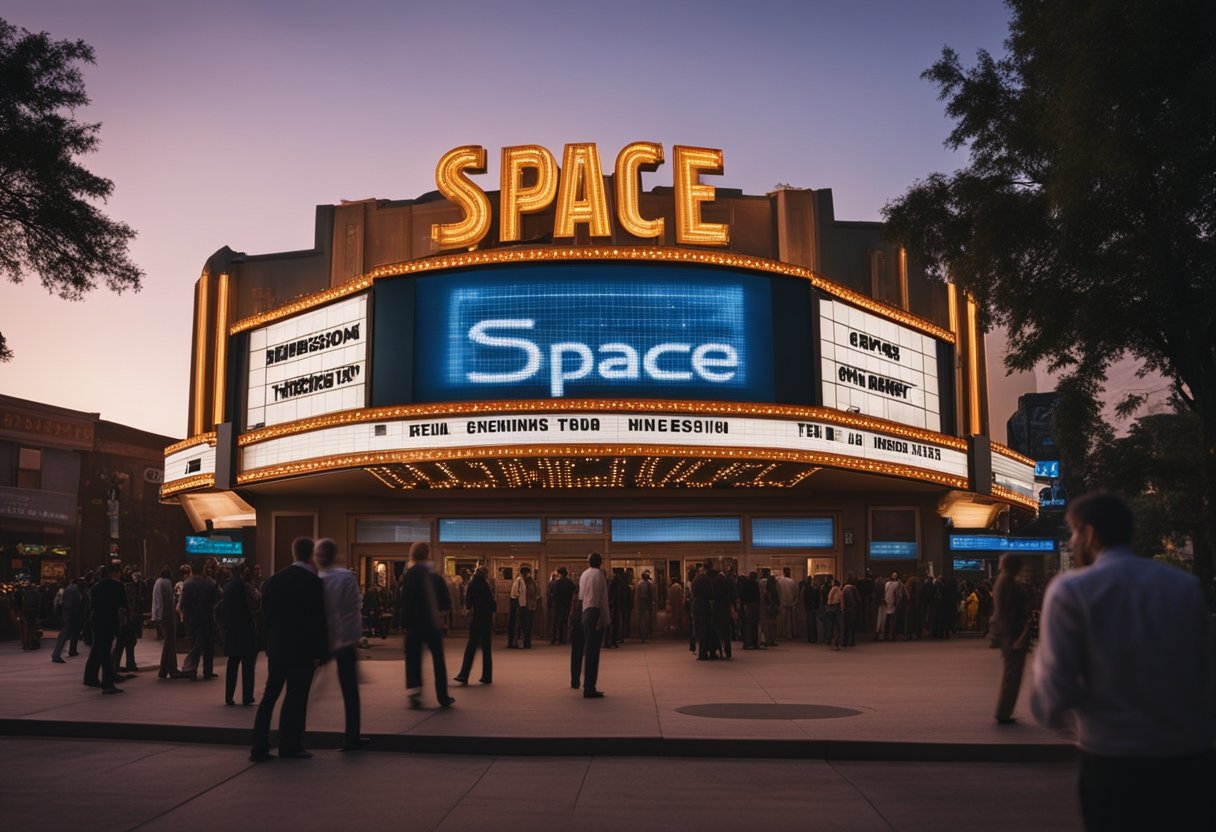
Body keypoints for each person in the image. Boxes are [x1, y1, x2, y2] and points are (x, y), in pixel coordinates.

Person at [1029, 493, 1215, 830]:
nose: (1072, 543)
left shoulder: (1072, 590)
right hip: (1188, 753)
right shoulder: (1184, 586)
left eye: (1072, 533)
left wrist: (1067, 723)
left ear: (1089, 533)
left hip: (1112, 755)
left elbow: (1055, 686)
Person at [250, 536, 329, 761]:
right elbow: (317, 621)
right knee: (296, 697)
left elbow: (265, 617)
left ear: (293, 553)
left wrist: (266, 644)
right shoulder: (313, 583)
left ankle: (259, 745)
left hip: (278, 647)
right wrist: (320, 653)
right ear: (311, 555)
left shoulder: (273, 581)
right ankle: (290, 744)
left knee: (269, 696)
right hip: (302, 650)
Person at [314, 539, 367, 750]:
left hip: (321, 639)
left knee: (305, 689)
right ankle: (351, 737)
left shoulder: (316, 578)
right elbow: (355, 608)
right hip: (344, 640)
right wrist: (354, 638)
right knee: (350, 692)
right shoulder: (345, 577)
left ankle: (293, 734)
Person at [401, 541, 454, 709]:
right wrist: (442, 615)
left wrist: (404, 622)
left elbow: (405, 601)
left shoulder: (409, 575)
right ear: (427, 554)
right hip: (432, 624)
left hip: (414, 624)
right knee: (438, 661)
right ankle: (442, 696)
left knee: (413, 659)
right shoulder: (435, 574)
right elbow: (445, 601)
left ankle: (414, 692)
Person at [991, 553, 1031, 724]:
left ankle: (1004, 711)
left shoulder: (1003, 580)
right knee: (1012, 674)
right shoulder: (1007, 581)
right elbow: (1007, 610)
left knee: (1011, 673)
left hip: (1007, 632)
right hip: (1012, 633)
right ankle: (1003, 712)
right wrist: (1016, 636)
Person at [83, 563, 128, 694]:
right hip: (110, 622)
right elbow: (123, 605)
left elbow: (92, 606)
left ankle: (91, 678)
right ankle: (107, 682)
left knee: (98, 649)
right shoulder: (118, 586)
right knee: (105, 652)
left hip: (97, 622)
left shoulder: (95, 588)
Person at [221, 566, 259, 706]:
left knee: (232, 664)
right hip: (246, 630)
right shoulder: (247, 587)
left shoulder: (228, 588)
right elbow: (255, 604)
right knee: (248, 665)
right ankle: (247, 696)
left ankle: (229, 696)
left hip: (232, 629)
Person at [178, 560, 219, 681]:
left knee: (193, 644)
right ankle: (208, 671)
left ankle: (192, 669)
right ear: (203, 569)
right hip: (206, 618)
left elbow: (183, 602)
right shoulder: (211, 582)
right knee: (208, 646)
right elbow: (216, 601)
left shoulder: (187, 583)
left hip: (192, 619)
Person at [455, 565, 494, 686]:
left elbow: (468, 601)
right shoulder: (486, 585)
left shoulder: (472, 583)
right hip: (486, 618)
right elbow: (491, 603)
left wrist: (467, 610)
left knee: (471, 646)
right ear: (485, 574)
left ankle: (464, 674)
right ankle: (487, 676)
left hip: (476, 618)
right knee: (486, 647)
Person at [577, 553, 609, 698]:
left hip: (585, 612)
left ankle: (587, 685)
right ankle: (590, 687)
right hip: (595, 612)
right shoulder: (600, 576)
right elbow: (603, 600)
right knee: (593, 652)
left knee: (587, 650)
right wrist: (605, 619)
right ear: (600, 563)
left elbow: (581, 596)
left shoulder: (584, 575)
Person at [149, 566, 180, 678]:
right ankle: (170, 669)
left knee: (168, 642)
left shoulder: (158, 582)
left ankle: (166, 668)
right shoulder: (166, 583)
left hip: (159, 615)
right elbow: (168, 601)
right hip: (167, 616)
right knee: (170, 642)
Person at [51, 578, 82, 663]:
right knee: (64, 635)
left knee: (63, 635)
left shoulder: (68, 588)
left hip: (66, 613)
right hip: (70, 614)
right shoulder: (75, 589)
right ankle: (56, 654)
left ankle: (56, 654)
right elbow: (76, 604)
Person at [549, 566, 574, 645]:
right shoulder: (570, 583)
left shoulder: (555, 583)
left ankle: (554, 638)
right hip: (566, 604)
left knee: (555, 622)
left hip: (556, 604)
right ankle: (562, 639)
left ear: (559, 574)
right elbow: (572, 593)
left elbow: (550, 593)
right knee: (564, 622)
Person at [777, 567, 799, 640]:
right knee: (790, 620)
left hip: (782, 604)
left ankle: (782, 634)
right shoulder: (792, 582)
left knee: (782, 620)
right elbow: (796, 594)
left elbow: (778, 592)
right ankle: (789, 634)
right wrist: (794, 602)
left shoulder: (779, 581)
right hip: (791, 604)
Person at [634, 570, 655, 643]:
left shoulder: (639, 584)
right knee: (648, 618)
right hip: (647, 601)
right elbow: (652, 594)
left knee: (642, 618)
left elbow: (637, 595)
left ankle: (643, 633)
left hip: (642, 601)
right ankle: (647, 633)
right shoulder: (651, 584)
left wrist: (636, 604)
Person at [20, 582, 41, 650]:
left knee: (26, 628)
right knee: (33, 627)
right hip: (34, 611)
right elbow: (38, 603)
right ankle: (32, 643)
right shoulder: (37, 593)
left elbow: (23, 603)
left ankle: (26, 644)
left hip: (27, 612)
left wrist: (23, 613)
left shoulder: (26, 593)